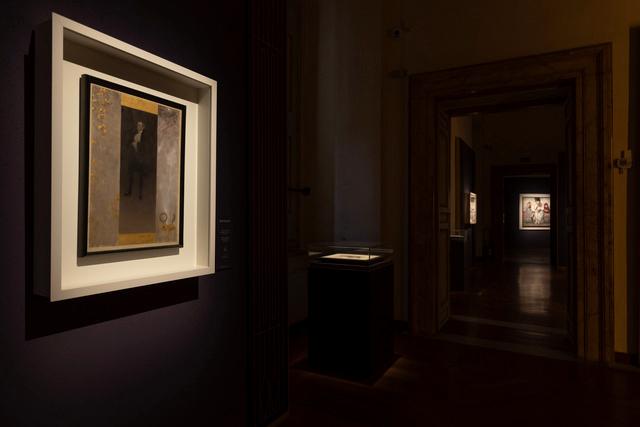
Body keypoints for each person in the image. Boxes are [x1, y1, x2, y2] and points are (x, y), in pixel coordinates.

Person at [124, 121, 147, 199]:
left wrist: (136, 144)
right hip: (134, 158)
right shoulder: (135, 134)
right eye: (137, 125)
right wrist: (132, 145)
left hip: (141, 159)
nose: (138, 127)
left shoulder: (145, 135)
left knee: (141, 177)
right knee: (130, 174)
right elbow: (130, 144)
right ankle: (129, 191)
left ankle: (140, 194)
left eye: (140, 125)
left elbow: (146, 146)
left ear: (143, 127)